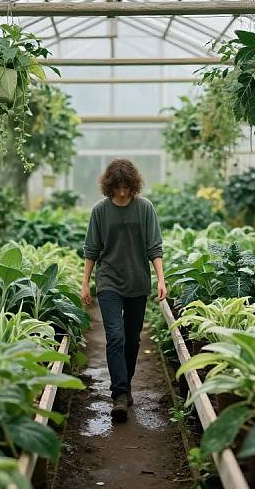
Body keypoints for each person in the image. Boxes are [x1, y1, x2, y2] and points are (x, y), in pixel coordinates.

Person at [81, 158, 166, 422]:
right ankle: (119, 395)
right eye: (117, 188)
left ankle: (125, 385)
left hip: (137, 282)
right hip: (108, 282)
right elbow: (92, 249)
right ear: (109, 186)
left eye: (126, 187)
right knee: (115, 337)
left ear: (133, 185)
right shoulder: (100, 211)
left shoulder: (145, 208)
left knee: (132, 339)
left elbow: (154, 246)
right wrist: (85, 283)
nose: (121, 193)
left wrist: (161, 279)